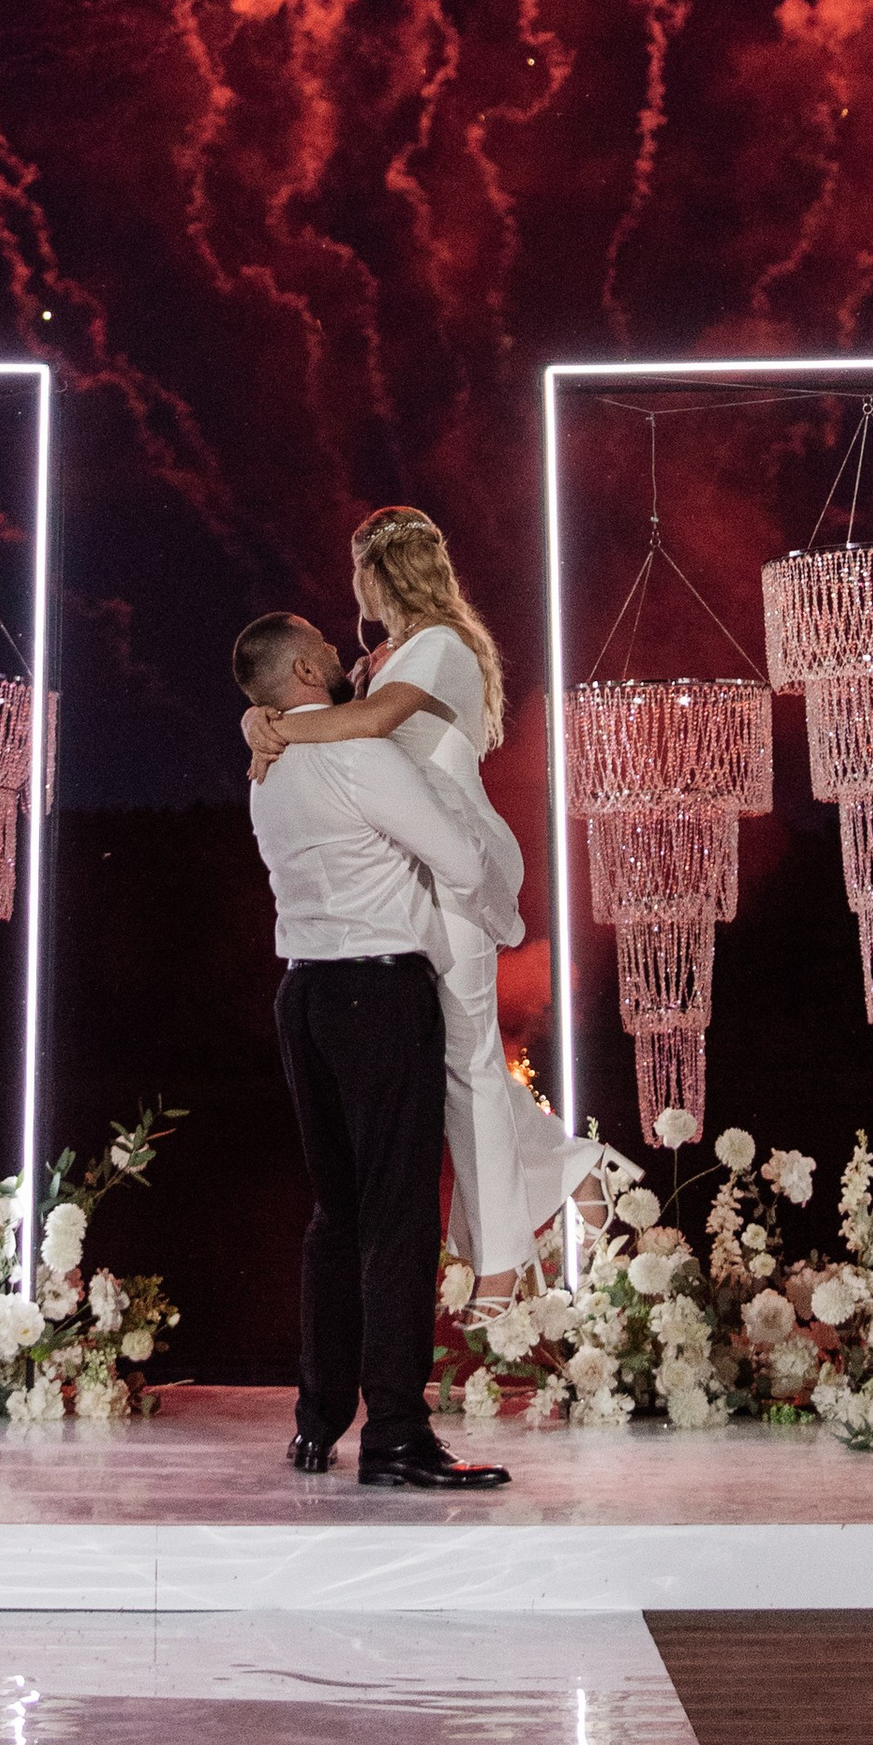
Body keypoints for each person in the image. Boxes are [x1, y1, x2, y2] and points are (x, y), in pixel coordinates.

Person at [244, 505, 606, 1309]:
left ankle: (503, 1263)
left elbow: (368, 724)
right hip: (407, 874)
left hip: (453, 862)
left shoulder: (439, 647)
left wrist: (274, 730)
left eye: (353, 570)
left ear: (375, 573)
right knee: (455, 1060)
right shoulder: (381, 657)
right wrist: (257, 716)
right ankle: (573, 1174)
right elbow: (323, 708)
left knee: (469, 1065)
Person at [235, 606, 511, 1491]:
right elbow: (461, 865)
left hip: (303, 995)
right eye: (323, 643)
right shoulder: (356, 751)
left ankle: (317, 1423)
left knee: (335, 1216)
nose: (340, 648)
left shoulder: (266, 766)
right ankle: (395, 1433)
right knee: (398, 1220)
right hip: (378, 992)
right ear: (307, 669)